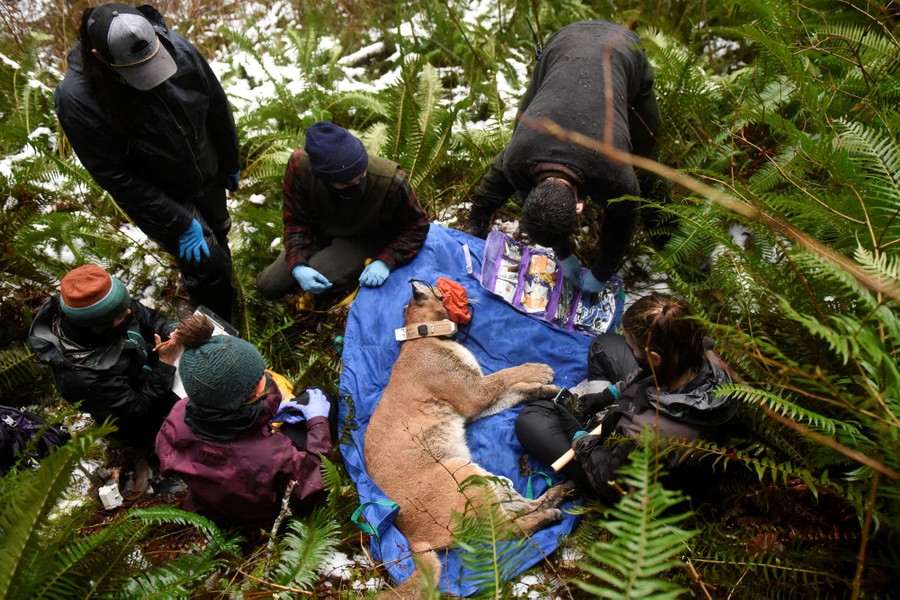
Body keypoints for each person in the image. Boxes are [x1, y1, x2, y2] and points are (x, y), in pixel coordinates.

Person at [55, 3, 241, 321]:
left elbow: (216, 101)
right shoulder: (77, 99)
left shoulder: (175, 45)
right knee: (205, 264)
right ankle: (221, 328)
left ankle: (226, 286)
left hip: (204, 167)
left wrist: (229, 159)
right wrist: (179, 222)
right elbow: (115, 174)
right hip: (161, 194)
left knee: (219, 231)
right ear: (100, 57)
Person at [463, 20, 661, 294]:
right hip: (563, 44)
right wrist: (564, 253)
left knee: (648, 148)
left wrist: (603, 271)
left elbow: (624, 216)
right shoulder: (519, 156)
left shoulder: (612, 169)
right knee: (518, 141)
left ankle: (667, 225)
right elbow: (502, 174)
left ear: (579, 207)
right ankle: (477, 214)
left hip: (621, 47)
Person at [515, 292, 738, 501]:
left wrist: (579, 435)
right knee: (604, 346)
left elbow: (608, 480)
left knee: (531, 419)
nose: (631, 350)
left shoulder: (649, 436)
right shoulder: (696, 352)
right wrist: (608, 395)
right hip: (651, 403)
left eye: (634, 348)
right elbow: (649, 376)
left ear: (654, 357)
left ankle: (593, 429)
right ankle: (602, 418)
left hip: (619, 473)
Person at [155, 315, 337, 527]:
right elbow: (314, 484)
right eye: (258, 381)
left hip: (213, 504)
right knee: (322, 401)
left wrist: (263, 420)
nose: (265, 378)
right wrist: (317, 421)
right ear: (242, 400)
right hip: (261, 520)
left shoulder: (178, 414)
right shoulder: (269, 457)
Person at [256, 121, 430, 300]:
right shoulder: (300, 167)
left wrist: (386, 260)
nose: (357, 185)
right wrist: (298, 265)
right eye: (346, 183)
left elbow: (417, 226)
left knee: (321, 274)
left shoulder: (391, 180)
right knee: (269, 285)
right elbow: (296, 223)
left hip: (365, 238)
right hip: (320, 231)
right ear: (323, 177)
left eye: (361, 176)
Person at [28, 264, 181, 447]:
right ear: (98, 327)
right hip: (141, 418)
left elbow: (147, 318)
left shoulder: (106, 306)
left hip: (149, 373)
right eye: (121, 315)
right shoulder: (82, 377)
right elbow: (136, 409)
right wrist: (165, 364)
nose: (129, 311)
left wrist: (171, 330)